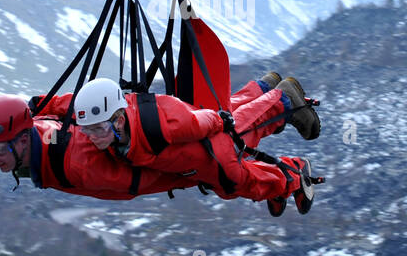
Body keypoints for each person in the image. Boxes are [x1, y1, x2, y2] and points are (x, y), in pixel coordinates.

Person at [66, 73, 319, 216]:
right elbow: (68, 108)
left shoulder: (154, 127)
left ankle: (284, 105)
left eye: (97, 129)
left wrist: (222, 123)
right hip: (198, 159)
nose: (91, 136)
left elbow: (197, 123)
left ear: (118, 120)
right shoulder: (116, 131)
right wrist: (38, 104)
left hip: (211, 149)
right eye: (86, 131)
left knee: (239, 178)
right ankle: (266, 89)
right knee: (233, 116)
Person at [0, 94, 194, 201]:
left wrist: (190, 175)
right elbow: (75, 107)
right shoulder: (37, 128)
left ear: (22, 141)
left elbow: (140, 182)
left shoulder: (81, 164)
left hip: (181, 158)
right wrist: (45, 102)